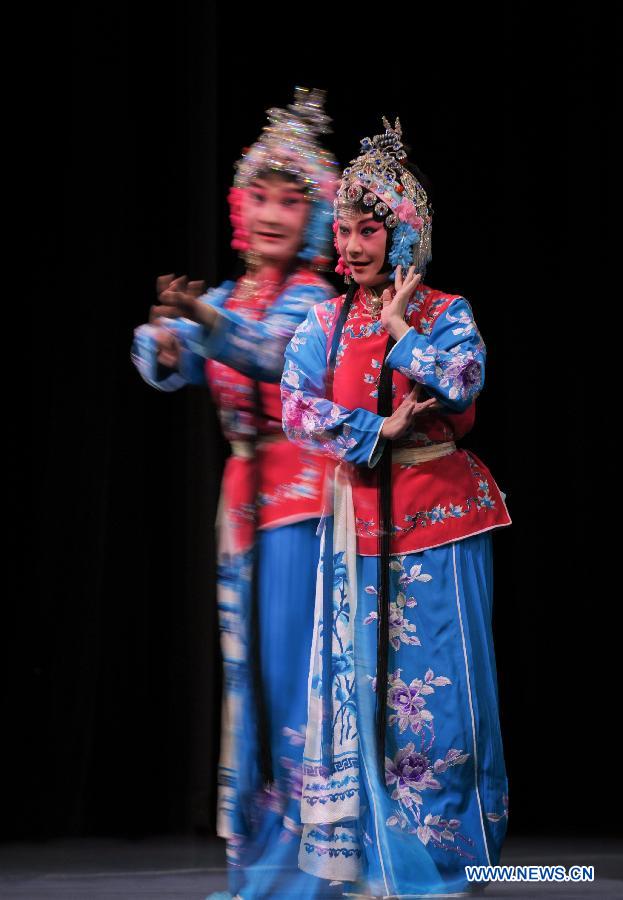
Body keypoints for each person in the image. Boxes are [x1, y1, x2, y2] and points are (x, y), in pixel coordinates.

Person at [280, 117, 512, 897]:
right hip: (357, 527)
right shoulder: (321, 322)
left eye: (367, 230)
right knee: (362, 695)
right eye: (342, 231)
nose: (349, 246)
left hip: (441, 517)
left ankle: (451, 860)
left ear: (402, 233)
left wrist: (398, 332)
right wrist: (372, 426)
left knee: (441, 698)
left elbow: (464, 379)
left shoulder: (446, 311)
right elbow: (295, 406)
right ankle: (373, 861)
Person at [131, 87, 345, 899]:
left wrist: (203, 328)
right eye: (259, 196)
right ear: (237, 203)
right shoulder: (221, 297)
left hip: (301, 499)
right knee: (245, 683)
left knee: (294, 675)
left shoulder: (315, 304)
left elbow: (271, 355)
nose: (271, 214)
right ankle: (256, 861)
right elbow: (168, 358)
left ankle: (305, 872)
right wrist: (160, 333)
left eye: (291, 203)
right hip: (242, 504)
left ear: (313, 220)